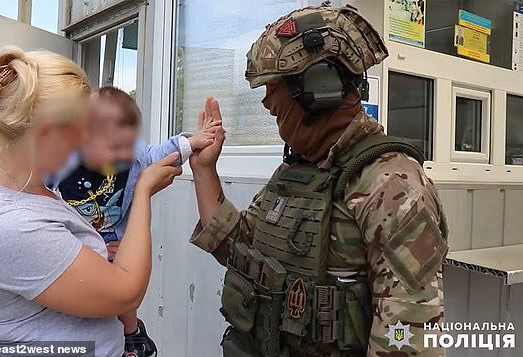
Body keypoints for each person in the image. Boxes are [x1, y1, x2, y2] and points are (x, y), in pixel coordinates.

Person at [188, 4, 448, 356]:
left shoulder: (390, 185)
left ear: (317, 87)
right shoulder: (299, 172)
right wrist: (205, 170)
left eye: (273, 87)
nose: (266, 100)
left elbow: (409, 339)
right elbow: (240, 249)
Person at [0, 46, 181, 356]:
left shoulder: (5, 179)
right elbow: (126, 293)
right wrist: (142, 192)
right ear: (47, 133)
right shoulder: (8, 225)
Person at [46, 86, 221, 357]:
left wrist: (192, 142)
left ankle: (131, 335)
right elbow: (40, 201)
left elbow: (157, 155)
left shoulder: (131, 155)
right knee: (83, 290)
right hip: (76, 242)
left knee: (123, 286)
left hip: (115, 240)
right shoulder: (60, 163)